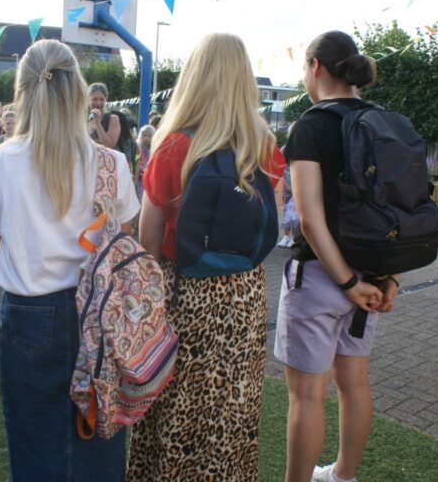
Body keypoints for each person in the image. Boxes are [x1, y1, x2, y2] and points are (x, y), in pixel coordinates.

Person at [0, 39, 138, 481]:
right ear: (79, 91)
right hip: (99, 315)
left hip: (28, 314)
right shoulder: (112, 162)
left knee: (34, 442)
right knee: (98, 437)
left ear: (22, 91)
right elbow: (122, 239)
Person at [129, 33, 284, 482]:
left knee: (177, 404)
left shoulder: (174, 145)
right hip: (244, 295)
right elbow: (269, 225)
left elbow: (149, 240)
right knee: (233, 405)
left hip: (184, 290)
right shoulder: (265, 149)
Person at [273, 30, 399, 482]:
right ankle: (343, 476)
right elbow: (403, 207)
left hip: (323, 278)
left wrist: (345, 281)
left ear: (315, 67)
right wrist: (389, 279)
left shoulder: (310, 124)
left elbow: (308, 218)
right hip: (372, 279)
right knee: (354, 385)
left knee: (307, 396)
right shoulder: (385, 121)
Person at [87, 82, 120, 148]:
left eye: (102, 99)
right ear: (88, 100)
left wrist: (98, 124)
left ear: (105, 100)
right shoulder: (84, 119)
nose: (98, 103)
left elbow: (109, 146)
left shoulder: (112, 119)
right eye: (95, 99)